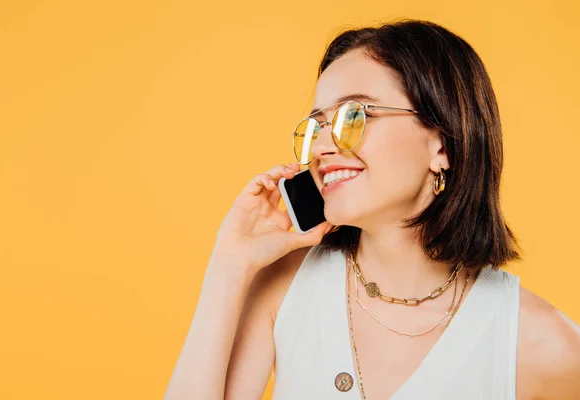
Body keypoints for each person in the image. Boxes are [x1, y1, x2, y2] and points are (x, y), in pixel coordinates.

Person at [164, 19, 580, 400]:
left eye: (354, 115)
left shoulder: (541, 342)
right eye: (317, 125)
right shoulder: (285, 287)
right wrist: (229, 263)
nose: (324, 147)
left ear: (442, 144)